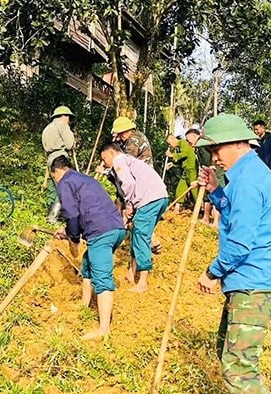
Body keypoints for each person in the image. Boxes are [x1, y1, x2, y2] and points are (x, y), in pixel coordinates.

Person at [193, 113, 271, 394]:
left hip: (253, 283)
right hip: (248, 282)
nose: (214, 156)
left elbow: (242, 241)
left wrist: (212, 272)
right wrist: (216, 191)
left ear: (234, 143)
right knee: (228, 348)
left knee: (237, 361)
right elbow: (234, 216)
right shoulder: (245, 174)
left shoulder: (249, 179)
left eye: (215, 148)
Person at [51, 156, 127, 340]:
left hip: (101, 233)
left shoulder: (64, 182)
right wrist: (69, 231)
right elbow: (89, 210)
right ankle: (85, 304)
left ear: (56, 172)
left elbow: (71, 213)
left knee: (102, 279)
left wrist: (74, 238)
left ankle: (103, 329)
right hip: (115, 228)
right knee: (87, 266)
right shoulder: (84, 179)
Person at [101, 143, 168, 293]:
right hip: (159, 197)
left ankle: (142, 281)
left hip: (148, 199)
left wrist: (129, 205)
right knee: (137, 233)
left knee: (141, 236)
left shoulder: (119, 160)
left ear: (111, 153)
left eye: (104, 159)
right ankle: (131, 273)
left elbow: (128, 183)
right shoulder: (129, 160)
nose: (104, 163)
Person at [42, 106, 77, 223]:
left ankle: (50, 215)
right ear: (64, 116)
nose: (69, 120)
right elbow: (69, 144)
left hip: (50, 160)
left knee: (53, 188)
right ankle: (53, 217)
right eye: (68, 117)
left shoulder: (47, 128)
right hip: (60, 159)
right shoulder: (62, 125)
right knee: (64, 187)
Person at [188, 128, 222, 227]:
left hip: (215, 171)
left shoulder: (205, 143)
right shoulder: (198, 147)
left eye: (189, 139)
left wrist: (212, 166)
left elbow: (213, 153)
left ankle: (216, 221)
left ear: (194, 136)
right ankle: (206, 218)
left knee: (216, 194)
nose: (188, 142)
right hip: (207, 171)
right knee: (207, 196)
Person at [165, 133, 197, 212]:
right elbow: (181, 160)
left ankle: (200, 207)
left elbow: (185, 154)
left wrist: (172, 155)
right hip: (185, 170)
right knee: (181, 188)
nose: (170, 145)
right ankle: (177, 208)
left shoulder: (183, 142)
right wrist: (173, 164)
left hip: (191, 169)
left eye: (170, 143)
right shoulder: (177, 148)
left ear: (173, 139)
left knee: (194, 189)